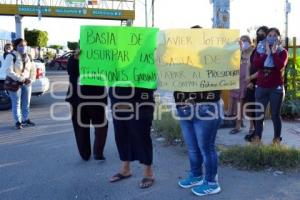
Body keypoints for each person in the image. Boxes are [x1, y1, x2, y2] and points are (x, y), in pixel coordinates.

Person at [176, 25, 223, 197]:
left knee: (206, 147)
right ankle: (196, 175)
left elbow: (223, 79)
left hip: (207, 109)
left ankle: (211, 182)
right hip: (184, 108)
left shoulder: (214, 58)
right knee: (192, 147)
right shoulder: (178, 58)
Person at [66, 48, 108, 161]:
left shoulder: (103, 56)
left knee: (101, 125)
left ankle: (98, 152)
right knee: (80, 126)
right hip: (77, 97)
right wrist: (75, 59)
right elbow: (71, 71)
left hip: (97, 96)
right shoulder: (74, 57)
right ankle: (85, 153)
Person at [109, 86, 155, 189]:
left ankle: (148, 172)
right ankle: (125, 169)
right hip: (118, 97)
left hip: (140, 98)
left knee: (142, 135)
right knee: (121, 134)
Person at [252, 27, 288, 144]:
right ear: (266, 37)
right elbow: (256, 64)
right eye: (269, 35)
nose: (272, 37)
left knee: (275, 115)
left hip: (276, 88)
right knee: (259, 114)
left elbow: (280, 66)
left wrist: (273, 53)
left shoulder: (283, 52)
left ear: (279, 37)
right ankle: (257, 138)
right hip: (261, 86)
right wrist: (266, 54)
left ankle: (276, 139)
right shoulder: (260, 49)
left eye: (274, 35)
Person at [3, 38, 36, 129]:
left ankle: (25, 119)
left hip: (27, 83)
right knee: (16, 103)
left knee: (26, 103)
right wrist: (21, 79)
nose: (23, 47)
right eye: (20, 45)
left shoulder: (28, 56)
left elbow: (33, 70)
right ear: (16, 46)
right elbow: (8, 71)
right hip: (15, 83)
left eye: (25, 45)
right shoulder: (11, 56)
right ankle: (18, 122)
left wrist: (31, 79)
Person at [244, 26, 269, 141]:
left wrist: (250, 78)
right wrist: (248, 79)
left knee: (258, 111)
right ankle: (255, 131)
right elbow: (249, 63)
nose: (259, 36)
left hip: (260, 84)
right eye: (258, 34)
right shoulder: (255, 50)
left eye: (262, 34)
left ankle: (258, 135)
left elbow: (264, 69)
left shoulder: (268, 50)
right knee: (251, 109)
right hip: (251, 84)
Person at [229, 35, 254, 134]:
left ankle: (252, 126)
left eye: (246, 40)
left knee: (249, 106)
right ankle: (238, 125)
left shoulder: (253, 53)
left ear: (250, 42)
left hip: (248, 82)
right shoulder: (237, 53)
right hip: (238, 82)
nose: (244, 42)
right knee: (238, 105)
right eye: (242, 41)